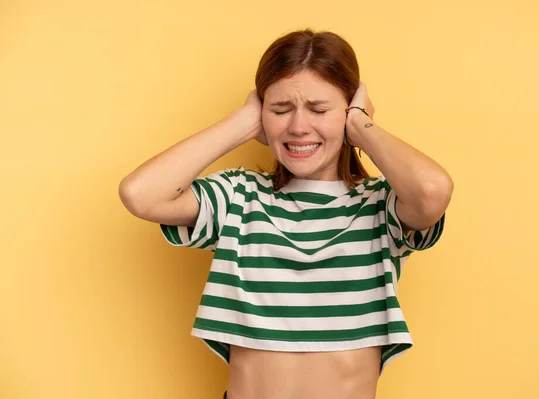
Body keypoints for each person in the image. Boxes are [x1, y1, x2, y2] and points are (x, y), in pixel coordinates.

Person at [119, 28, 453, 399]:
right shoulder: (240, 198)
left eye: (319, 109)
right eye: (280, 109)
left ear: (349, 110)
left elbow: (431, 191)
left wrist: (360, 125)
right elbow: (141, 194)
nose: (297, 127)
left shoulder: (379, 205)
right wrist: (242, 123)